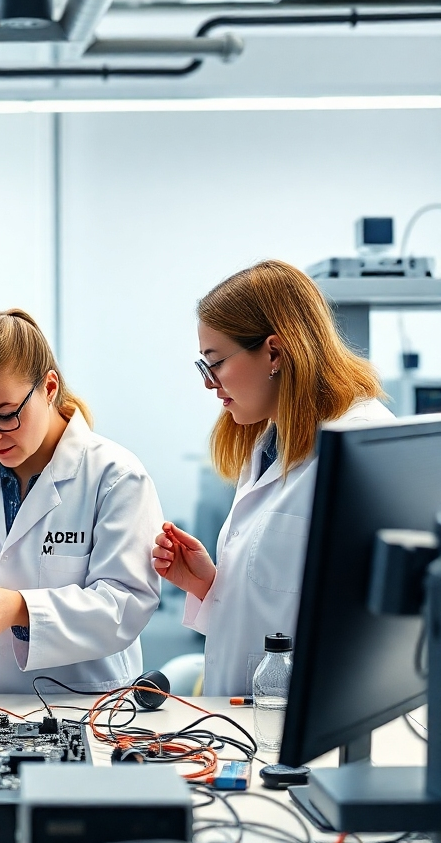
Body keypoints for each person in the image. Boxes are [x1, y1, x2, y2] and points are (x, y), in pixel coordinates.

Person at [152, 260, 392, 696]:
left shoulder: (360, 444)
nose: (209, 384)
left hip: (307, 722)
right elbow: (279, 599)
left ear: (275, 353)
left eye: (216, 363)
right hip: (251, 718)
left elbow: (373, 625)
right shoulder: (269, 441)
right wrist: (210, 586)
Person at [0, 308, 163, 693]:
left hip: (79, 704)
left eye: (5, 415)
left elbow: (126, 606)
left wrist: (20, 610)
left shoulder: (115, 476)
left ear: (49, 388)